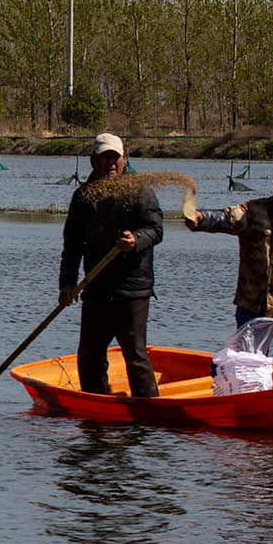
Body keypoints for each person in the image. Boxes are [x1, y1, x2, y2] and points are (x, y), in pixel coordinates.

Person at [184, 161, 273, 386]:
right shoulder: (254, 212)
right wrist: (201, 218)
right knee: (246, 363)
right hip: (253, 306)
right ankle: (248, 399)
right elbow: (227, 218)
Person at [57, 133, 163, 398]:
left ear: (124, 160)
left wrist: (135, 240)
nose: (111, 164)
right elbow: (72, 244)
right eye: (105, 158)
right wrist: (67, 284)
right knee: (89, 355)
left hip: (132, 290)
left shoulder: (139, 189)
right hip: (96, 287)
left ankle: (148, 410)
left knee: (135, 354)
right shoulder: (83, 196)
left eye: (115, 158)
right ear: (93, 161)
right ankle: (96, 407)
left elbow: (155, 230)